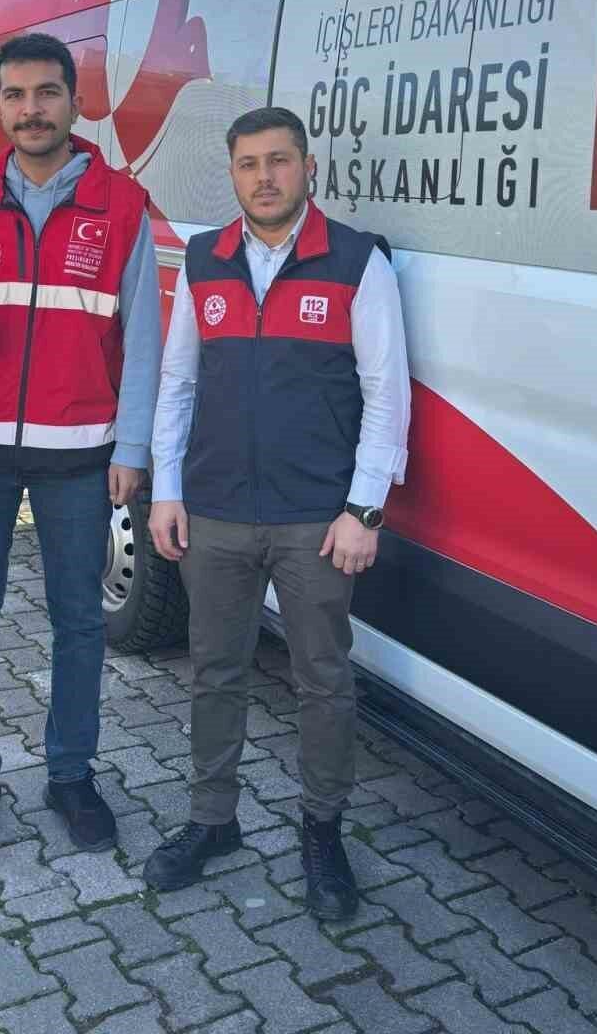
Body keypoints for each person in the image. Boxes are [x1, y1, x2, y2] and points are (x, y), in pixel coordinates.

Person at [144, 105, 410, 920]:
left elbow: (386, 394)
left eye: (280, 160)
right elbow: (179, 382)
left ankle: (322, 833)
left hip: (315, 519)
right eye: (249, 164)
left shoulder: (357, 262)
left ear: (308, 167)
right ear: (232, 173)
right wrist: (166, 489)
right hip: (215, 510)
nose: (265, 177)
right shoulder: (205, 260)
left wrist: (364, 510)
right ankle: (212, 820)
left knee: (322, 681)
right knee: (215, 670)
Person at [0, 32, 161, 856]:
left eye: (48, 92)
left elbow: (146, 340)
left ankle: (71, 774)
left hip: (81, 452)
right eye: (16, 95)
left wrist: (133, 448)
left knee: (79, 620)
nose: (32, 109)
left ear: (74, 101)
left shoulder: (121, 205)